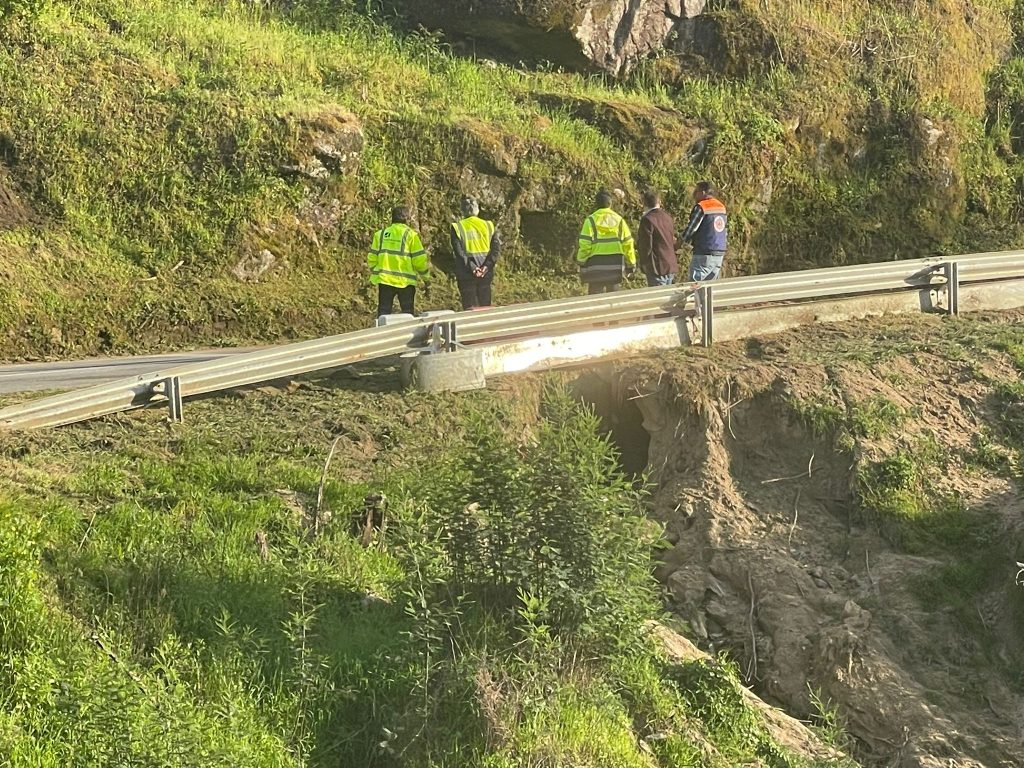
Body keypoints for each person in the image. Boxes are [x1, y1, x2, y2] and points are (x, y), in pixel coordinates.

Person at [367, 205, 430, 318]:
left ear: (392, 217)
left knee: (383, 312)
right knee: (407, 313)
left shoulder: (380, 235)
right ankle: (407, 334)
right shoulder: (411, 236)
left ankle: (383, 334)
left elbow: (372, 258)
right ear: (407, 219)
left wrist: (376, 271)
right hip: (405, 283)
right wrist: (426, 277)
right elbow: (419, 260)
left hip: (385, 280)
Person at [576, 189, 636, 294]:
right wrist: (631, 264)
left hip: (595, 266)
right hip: (615, 266)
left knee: (594, 299)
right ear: (610, 203)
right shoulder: (619, 220)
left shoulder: (590, 221)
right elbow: (628, 243)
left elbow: (585, 245)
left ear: (596, 204)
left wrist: (581, 262)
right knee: (613, 299)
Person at [450, 196, 500, 310]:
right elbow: (496, 250)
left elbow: (459, 252)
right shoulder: (489, 225)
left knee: (470, 308)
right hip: (485, 273)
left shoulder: (457, 227)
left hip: (466, 273)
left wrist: (473, 267)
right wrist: (486, 267)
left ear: (462, 210)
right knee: (485, 306)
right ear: (477, 209)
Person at [680, 180, 727, 282]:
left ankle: (697, 298)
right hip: (719, 252)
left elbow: (691, 229)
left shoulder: (702, 206)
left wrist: (679, 243)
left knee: (696, 285)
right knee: (711, 286)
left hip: (704, 252)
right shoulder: (721, 206)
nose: (694, 195)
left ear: (703, 192)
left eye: (696, 192)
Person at [636, 190, 678, 287]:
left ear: (644, 203)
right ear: (659, 202)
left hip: (657, 267)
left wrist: (643, 263)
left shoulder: (647, 219)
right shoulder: (667, 217)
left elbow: (646, 245)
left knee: (659, 298)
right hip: (670, 264)